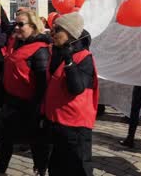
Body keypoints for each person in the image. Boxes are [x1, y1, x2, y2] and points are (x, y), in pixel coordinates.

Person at [0, 10, 51, 175]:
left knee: (35, 142)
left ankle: (40, 170)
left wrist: (38, 110)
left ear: (33, 26)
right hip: (11, 101)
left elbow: (43, 84)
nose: (16, 27)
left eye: (21, 24)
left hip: (29, 105)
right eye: (15, 24)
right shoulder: (17, 43)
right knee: (5, 139)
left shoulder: (40, 50)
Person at [43, 12, 99, 176]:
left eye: (57, 29)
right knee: (57, 167)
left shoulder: (84, 57)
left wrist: (69, 62)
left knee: (78, 168)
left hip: (75, 126)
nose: (52, 33)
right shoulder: (55, 52)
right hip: (56, 122)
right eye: (52, 29)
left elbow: (77, 88)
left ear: (70, 33)